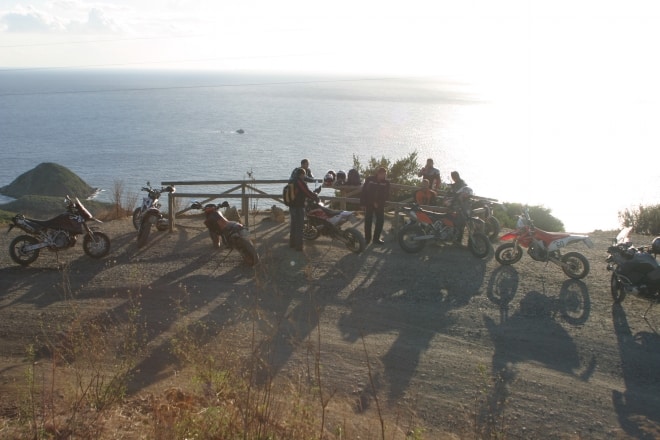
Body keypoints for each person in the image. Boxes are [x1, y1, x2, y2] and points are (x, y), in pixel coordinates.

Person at [289, 167, 319, 251]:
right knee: (299, 226)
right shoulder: (300, 182)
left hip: (291, 206)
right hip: (298, 206)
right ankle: (299, 247)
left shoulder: (291, 180)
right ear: (301, 174)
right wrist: (315, 197)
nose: (304, 176)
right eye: (304, 175)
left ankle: (292, 243)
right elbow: (307, 192)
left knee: (293, 225)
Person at [360, 167, 390, 245]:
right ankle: (367, 239)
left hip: (380, 205)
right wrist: (362, 203)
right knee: (368, 221)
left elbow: (387, 195)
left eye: (385, 175)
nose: (384, 176)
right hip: (369, 203)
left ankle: (376, 239)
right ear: (378, 173)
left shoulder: (386, 183)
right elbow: (364, 191)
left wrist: (378, 203)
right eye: (382, 174)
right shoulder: (370, 179)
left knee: (380, 221)